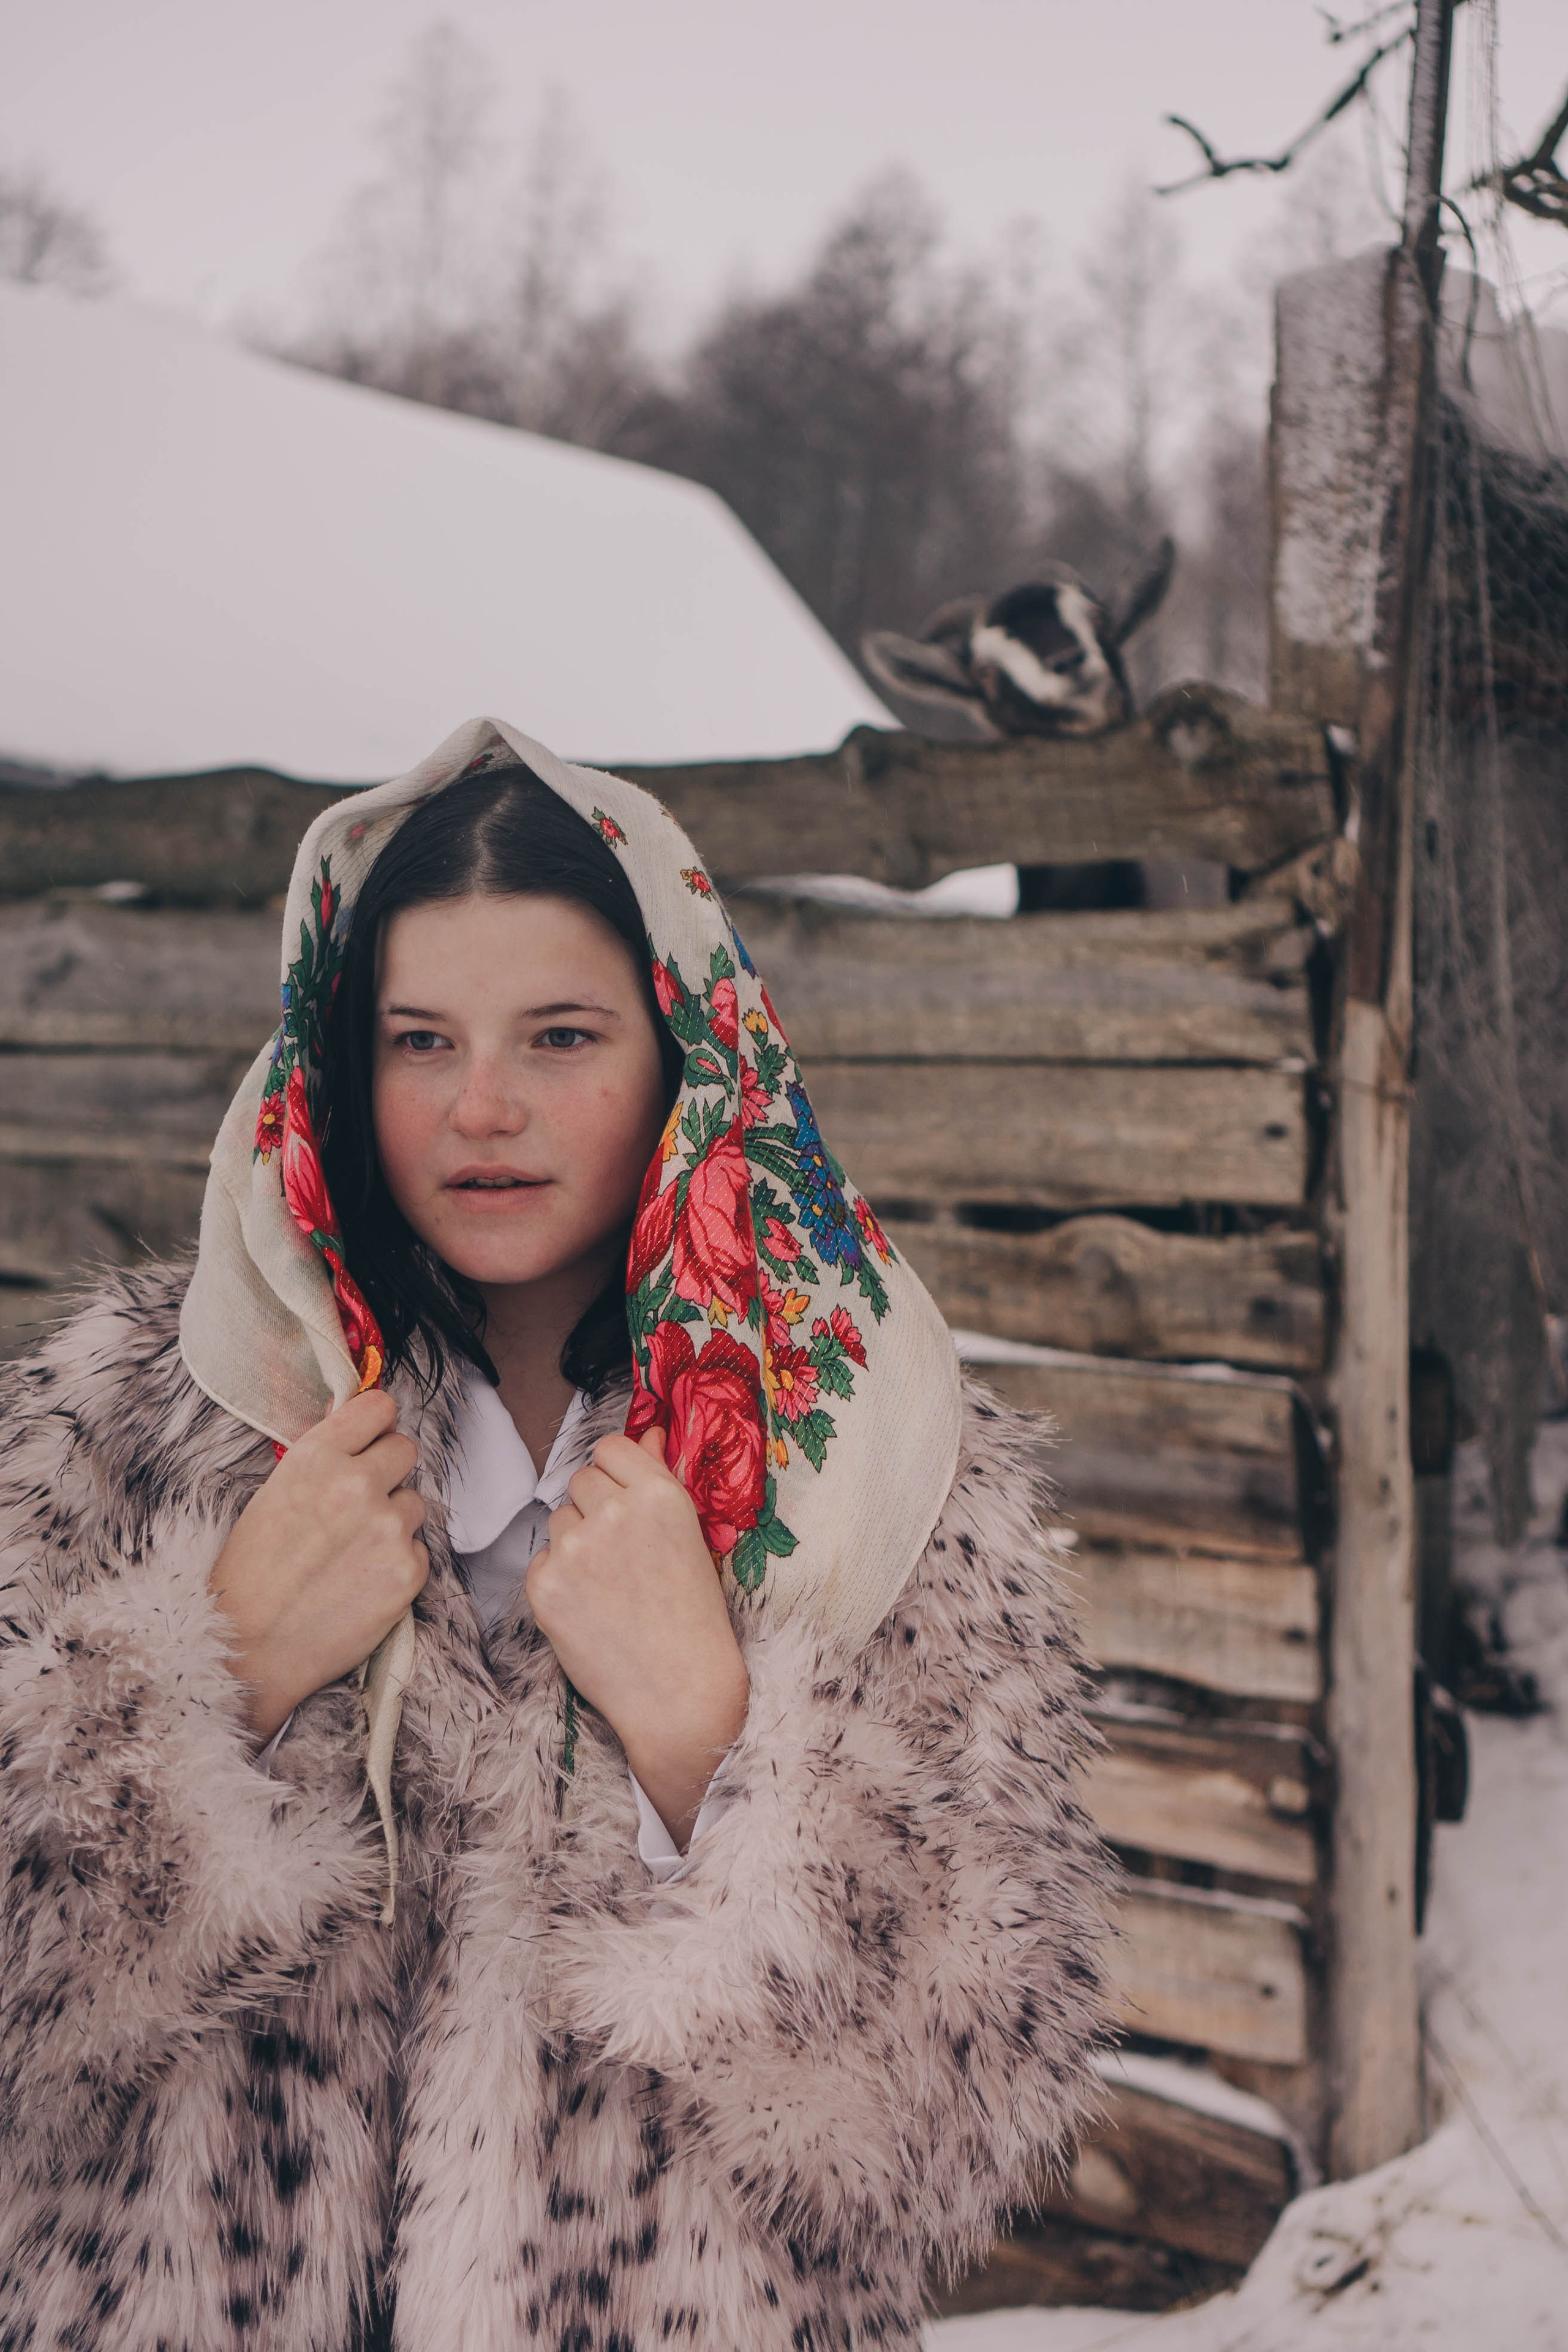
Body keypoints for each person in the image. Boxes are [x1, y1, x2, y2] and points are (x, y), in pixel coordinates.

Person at [0, 718, 1112, 2352]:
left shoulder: (885, 1470)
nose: (485, 1110)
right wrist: (203, 1679)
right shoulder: (136, 1423)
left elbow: (960, 2125)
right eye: (420, 1042)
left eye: (563, 1036)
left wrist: (702, 1746)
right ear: (327, 1056)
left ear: (683, 1052)